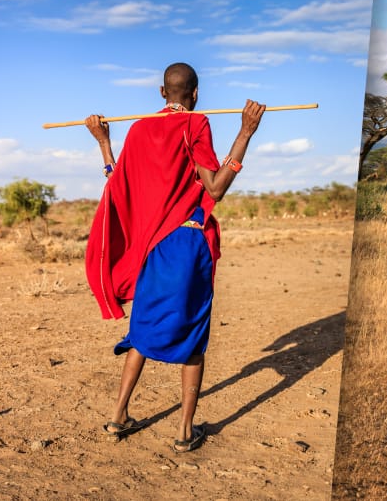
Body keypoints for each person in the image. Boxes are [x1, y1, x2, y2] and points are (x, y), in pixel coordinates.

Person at [83, 62, 265, 453]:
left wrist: (101, 141)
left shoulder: (138, 128)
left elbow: (118, 186)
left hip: (152, 249)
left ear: (161, 93)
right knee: (194, 337)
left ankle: (118, 418)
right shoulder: (195, 124)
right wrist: (245, 134)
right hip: (185, 244)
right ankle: (184, 432)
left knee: (143, 331)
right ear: (196, 93)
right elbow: (214, 189)